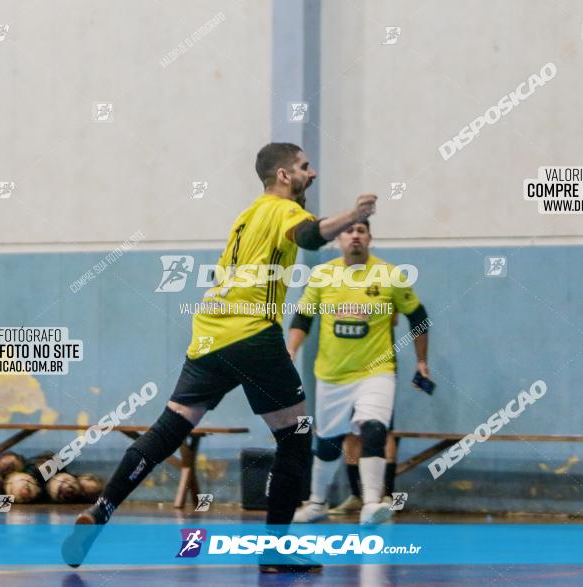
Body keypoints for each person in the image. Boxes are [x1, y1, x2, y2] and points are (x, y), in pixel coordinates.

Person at [63, 143, 377, 574]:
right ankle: (274, 550)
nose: (313, 173)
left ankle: (101, 510)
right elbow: (311, 237)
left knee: (170, 426)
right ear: (284, 176)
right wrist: (355, 214)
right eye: (305, 167)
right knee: (296, 436)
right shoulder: (281, 210)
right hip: (252, 334)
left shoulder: (246, 216)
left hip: (209, 336)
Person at [287, 220, 432, 524]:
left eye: (361, 231)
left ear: (369, 238)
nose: (354, 235)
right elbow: (303, 316)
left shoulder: (390, 275)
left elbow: (418, 315)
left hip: (376, 371)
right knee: (327, 442)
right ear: (338, 239)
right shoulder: (323, 275)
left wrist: (421, 361)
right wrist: (291, 350)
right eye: (348, 231)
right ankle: (316, 503)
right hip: (332, 374)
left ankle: (371, 504)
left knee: (374, 429)